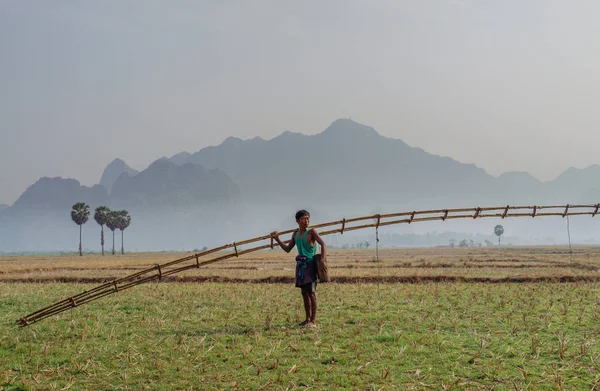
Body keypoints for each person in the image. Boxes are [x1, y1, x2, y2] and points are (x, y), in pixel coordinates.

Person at [271, 209, 327, 328]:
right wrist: (277, 239)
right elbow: (287, 249)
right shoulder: (296, 234)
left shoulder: (312, 232)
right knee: (304, 293)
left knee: (311, 293)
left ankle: (313, 321)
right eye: (304, 219)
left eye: (308, 218)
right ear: (297, 221)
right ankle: (307, 319)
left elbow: (323, 244)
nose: (306, 221)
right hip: (301, 267)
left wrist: (322, 259)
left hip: (311, 265)